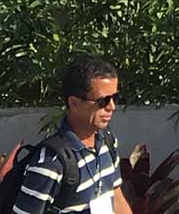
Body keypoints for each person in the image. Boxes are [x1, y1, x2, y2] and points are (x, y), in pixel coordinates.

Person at [8, 57, 136, 214]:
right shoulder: (51, 162)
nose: (112, 106)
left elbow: (116, 197)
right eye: (103, 101)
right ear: (74, 103)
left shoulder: (108, 142)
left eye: (115, 98)